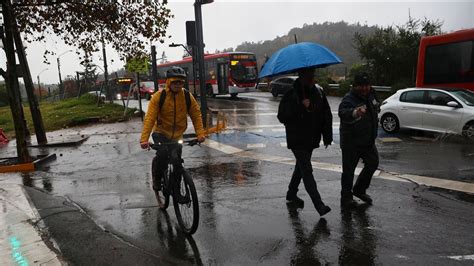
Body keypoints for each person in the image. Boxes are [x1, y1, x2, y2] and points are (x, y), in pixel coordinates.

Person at [140, 66, 206, 204]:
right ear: (169, 82)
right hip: (161, 133)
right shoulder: (159, 97)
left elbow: (196, 115)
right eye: (175, 82)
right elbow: (150, 118)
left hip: (177, 135)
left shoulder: (187, 96)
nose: (178, 84)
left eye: (180, 82)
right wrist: (144, 139)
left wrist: (200, 133)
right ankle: (157, 180)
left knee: (177, 163)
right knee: (163, 154)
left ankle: (176, 190)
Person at [277, 67, 333, 216]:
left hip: (312, 138)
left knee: (300, 168)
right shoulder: (291, 94)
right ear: (301, 77)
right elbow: (282, 116)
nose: (311, 79)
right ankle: (319, 205)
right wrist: (299, 106)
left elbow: (326, 114)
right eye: (308, 76)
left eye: (312, 76)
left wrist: (327, 136)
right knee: (307, 170)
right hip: (297, 139)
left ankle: (291, 193)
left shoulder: (318, 92)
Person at [338, 73, 379, 207]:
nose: (364, 88)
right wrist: (355, 112)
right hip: (351, 142)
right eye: (361, 86)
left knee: (373, 163)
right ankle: (346, 198)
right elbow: (343, 112)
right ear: (355, 86)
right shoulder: (349, 99)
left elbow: (375, 109)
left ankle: (359, 190)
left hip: (367, 140)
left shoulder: (371, 95)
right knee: (348, 171)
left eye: (366, 85)